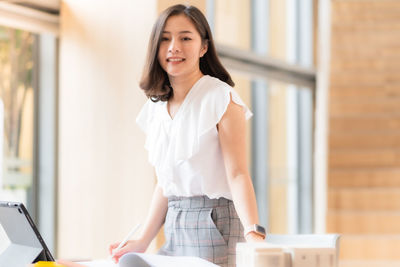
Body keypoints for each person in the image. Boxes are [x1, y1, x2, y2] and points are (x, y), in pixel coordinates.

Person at [108, 4, 266, 267]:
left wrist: (253, 233)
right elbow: (166, 182)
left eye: (185, 38)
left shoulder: (220, 97)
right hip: (175, 222)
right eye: (165, 39)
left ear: (204, 47)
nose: (174, 47)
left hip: (215, 224)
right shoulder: (156, 107)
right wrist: (143, 239)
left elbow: (238, 174)